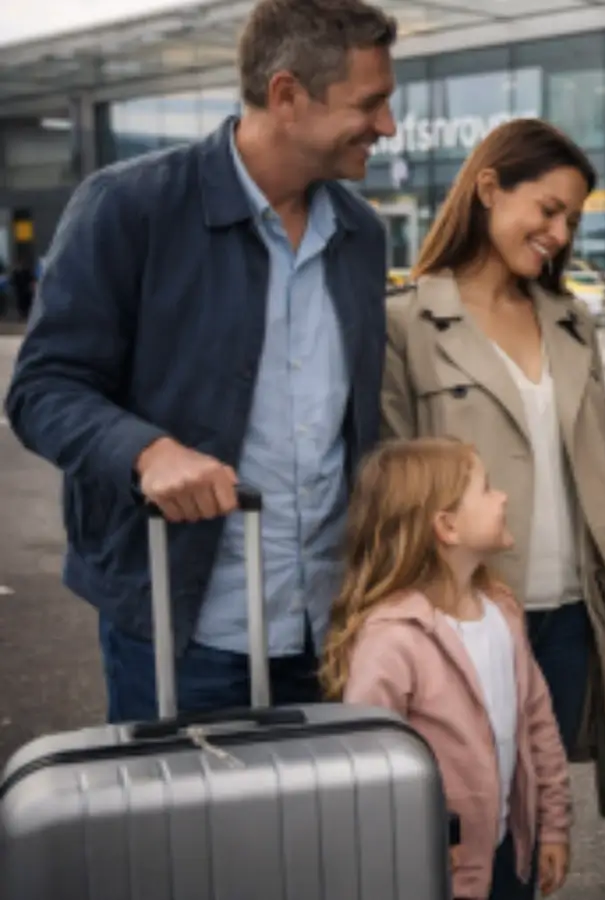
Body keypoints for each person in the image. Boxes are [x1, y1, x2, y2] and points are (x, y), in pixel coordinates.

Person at [3, 0, 399, 722]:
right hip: (185, 631)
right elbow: (43, 388)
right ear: (286, 96)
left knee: (326, 834)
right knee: (190, 838)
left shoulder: (361, 236)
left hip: (336, 623)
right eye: (370, 104)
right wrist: (146, 452)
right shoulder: (128, 208)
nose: (387, 126)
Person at [381, 118, 605, 763]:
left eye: (572, 222)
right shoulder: (405, 323)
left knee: (544, 819)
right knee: (470, 815)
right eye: (549, 210)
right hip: (464, 617)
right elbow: (392, 491)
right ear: (489, 188)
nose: (559, 235)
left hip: (573, 614)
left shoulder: (570, 320)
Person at [323, 437, 571, 900]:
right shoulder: (394, 638)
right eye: (487, 488)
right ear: (447, 527)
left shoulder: (502, 612)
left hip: (507, 851)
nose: (503, 497)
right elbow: (369, 765)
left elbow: (538, 722)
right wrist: (417, 835)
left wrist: (553, 825)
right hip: (435, 867)